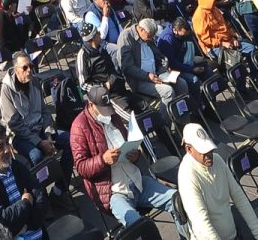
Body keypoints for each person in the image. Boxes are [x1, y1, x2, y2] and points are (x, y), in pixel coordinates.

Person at [69, 83, 177, 226]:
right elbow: (81, 167)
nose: (107, 113)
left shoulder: (113, 115)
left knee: (178, 202)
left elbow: (128, 142)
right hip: (114, 192)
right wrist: (103, 160)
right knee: (140, 226)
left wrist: (135, 156)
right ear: (91, 105)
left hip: (137, 181)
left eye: (108, 108)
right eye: (102, 109)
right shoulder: (79, 127)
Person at [177, 122, 258, 240]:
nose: (209, 155)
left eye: (209, 150)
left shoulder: (218, 160)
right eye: (203, 151)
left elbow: (239, 197)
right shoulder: (187, 175)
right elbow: (202, 222)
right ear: (189, 149)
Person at [0, 50, 69, 193]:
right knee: (36, 156)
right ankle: (40, 195)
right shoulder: (6, 91)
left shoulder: (35, 81)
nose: (29, 70)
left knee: (69, 140)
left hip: (40, 128)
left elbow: (45, 111)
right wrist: (40, 142)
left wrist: (48, 134)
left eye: (30, 66)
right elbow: (15, 125)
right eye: (24, 68)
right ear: (15, 69)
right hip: (21, 135)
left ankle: (60, 189)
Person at [0, 119, 48, 240]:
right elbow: (0, 224)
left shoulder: (17, 167)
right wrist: (26, 203)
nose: (7, 149)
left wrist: (27, 226)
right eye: (0, 146)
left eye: (7, 142)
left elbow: (41, 195)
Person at [120, 16, 189, 107]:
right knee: (168, 91)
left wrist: (165, 66)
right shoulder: (126, 37)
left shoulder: (149, 35)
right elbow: (128, 67)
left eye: (153, 36)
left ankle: (183, 112)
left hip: (156, 73)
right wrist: (147, 75)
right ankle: (166, 116)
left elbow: (159, 56)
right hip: (139, 80)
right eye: (149, 36)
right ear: (141, 30)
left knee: (182, 84)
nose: (151, 39)